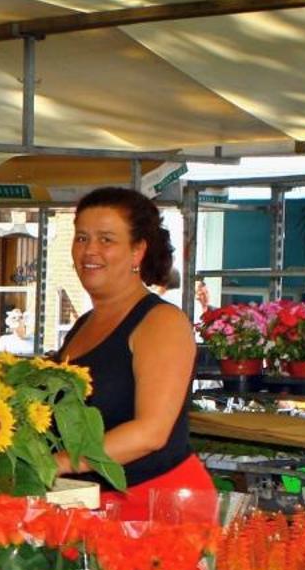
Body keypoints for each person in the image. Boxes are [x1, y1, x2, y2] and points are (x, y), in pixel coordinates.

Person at [52, 187, 214, 519]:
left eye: (106, 239)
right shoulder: (84, 324)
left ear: (138, 251)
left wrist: (58, 463)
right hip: (92, 506)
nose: (89, 250)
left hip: (156, 509)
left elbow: (151, 433)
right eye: (82, 238)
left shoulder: (162, 322)